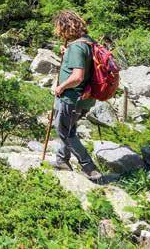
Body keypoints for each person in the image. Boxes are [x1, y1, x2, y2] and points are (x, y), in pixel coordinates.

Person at [50, 10, 103, 181]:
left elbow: (77, 77)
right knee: (69, 129)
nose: (58, 32)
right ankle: (62, 160)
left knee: (63, 131)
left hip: (71, 98)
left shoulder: (77, 47)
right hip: (85, 98)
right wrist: (67, 53)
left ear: (65, 27)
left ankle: (89, 167)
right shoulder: (88, 42)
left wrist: (60, 87)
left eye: (59, 28)